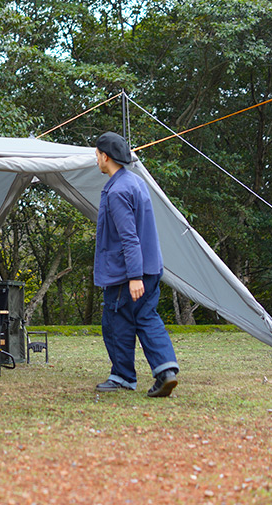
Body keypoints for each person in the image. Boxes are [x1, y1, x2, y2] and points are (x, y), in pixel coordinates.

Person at [93, 132, 179, 397]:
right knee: (147, 317)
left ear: (105, 157)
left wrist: (134, 276)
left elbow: (128, 237)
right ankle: (166, 372)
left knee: (115, 321)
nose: (96, 159)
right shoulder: (136, 182)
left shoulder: (117, 191)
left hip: (126, 273)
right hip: (152, 266)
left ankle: (122, 377)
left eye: (97, 155)